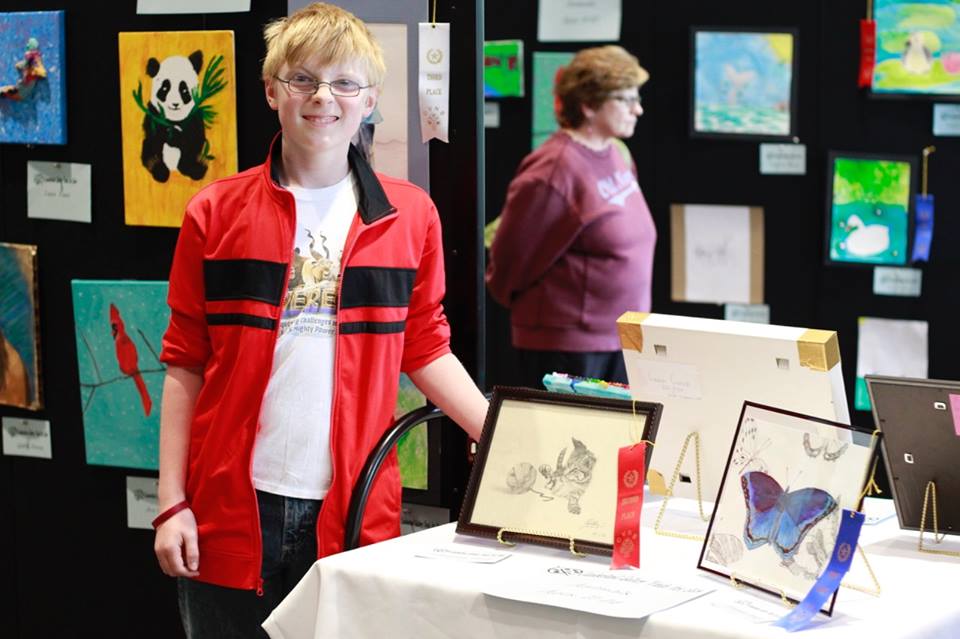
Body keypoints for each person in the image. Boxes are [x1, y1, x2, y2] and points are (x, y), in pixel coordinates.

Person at [152, 4, 489, 637]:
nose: (322, 97)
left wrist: (499, 434)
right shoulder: (213, 212)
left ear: (369, 100)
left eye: (344, 83)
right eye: (303, 79)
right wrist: (172, 503)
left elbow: (426, 347)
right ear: (272, 90)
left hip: (354, 514)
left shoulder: (408, 217)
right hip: (229, 509)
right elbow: (184, 364)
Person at [486, 45, 655, 388]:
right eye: (624, 100)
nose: (637, 109)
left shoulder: (615, 153)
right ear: (589, 105)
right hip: (569, 350)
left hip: (616, 341)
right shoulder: (554, 170)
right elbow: (508, 265)